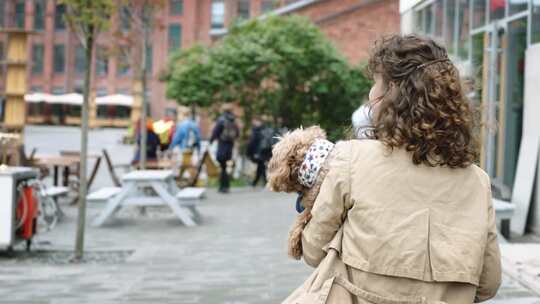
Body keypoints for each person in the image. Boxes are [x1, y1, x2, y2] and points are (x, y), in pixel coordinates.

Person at [284, 35, 501, 304]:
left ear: (392, 90)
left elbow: (313, 250)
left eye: (375, 82)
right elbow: (488, 283)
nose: (371, 93)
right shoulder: (477, 182)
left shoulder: (351, 159)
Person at [210, 105, 239, 193]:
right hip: (230, 146)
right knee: (224, 166)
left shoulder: (221, 120)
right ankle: (225, 186)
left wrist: (211, 140)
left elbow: (216, 131)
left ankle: (223, 186)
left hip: (222, 145)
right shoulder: (233, 120)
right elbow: (237, 134)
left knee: (222, 166)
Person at [247, 118, 275, 187]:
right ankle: (256, 182)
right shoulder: (266, 129)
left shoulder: (256, 130)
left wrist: (249, 152)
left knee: (261, 166)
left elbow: (252, 143)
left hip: (259, 151)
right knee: (261, 166)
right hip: (266, 150)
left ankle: (265, 182)